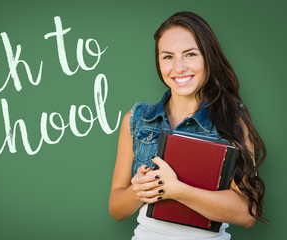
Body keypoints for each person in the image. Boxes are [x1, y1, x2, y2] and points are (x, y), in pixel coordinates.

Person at [109, 11, 266, 240]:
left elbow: (247, 214)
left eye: (190, 54)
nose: (179, 67)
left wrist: (177, 190)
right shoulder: (136, 119)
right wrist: (138, 191)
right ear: (159, 63)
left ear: (207, 58)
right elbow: (116, 209)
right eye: (168, 57)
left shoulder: (231, 119)